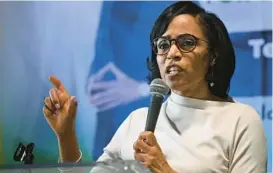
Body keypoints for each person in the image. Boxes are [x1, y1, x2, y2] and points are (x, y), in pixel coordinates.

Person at [43, 1, 267, 173]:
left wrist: (163, 168)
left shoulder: (240, 120)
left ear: (214, 56)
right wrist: (66, 136)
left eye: (187, 43)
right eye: (163, 45)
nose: (172, 53)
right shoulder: (137, 120)